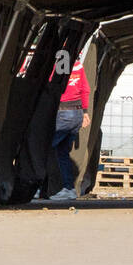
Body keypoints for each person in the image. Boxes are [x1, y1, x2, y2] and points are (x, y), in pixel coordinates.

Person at [46, 57, 90, 201]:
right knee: (62, 153)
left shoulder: (61, 65)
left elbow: (56, 86)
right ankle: (69, 188)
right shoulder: (78, 66)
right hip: (77, 113)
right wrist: (85, 112)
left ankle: (34, 184)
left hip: (65, 111)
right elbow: (85, 89)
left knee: (44, 147)